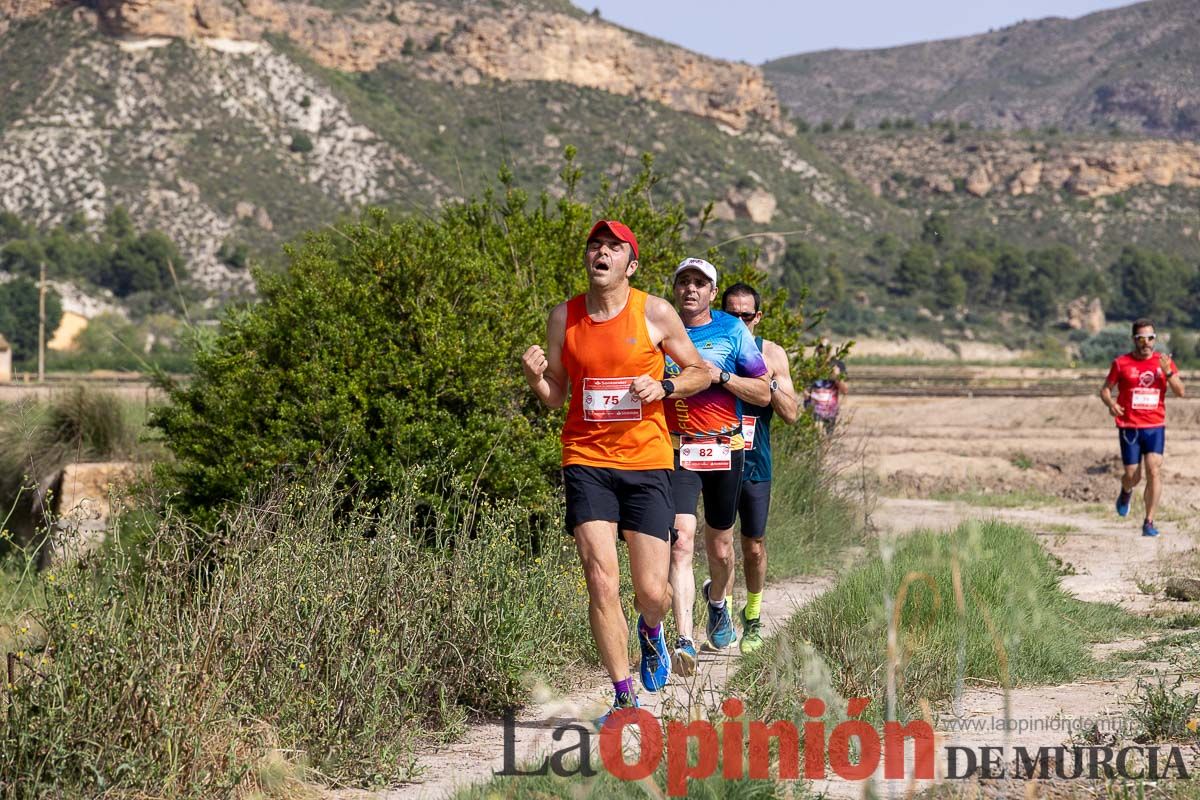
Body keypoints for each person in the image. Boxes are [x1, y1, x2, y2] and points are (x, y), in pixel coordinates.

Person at [521, 220, 710, 717]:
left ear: (631, 263)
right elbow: (556, 395)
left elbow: (699, 371)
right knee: (601, 580)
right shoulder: (565, 316)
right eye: (594, 246)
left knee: (652, 592)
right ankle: (624, 697)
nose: (601, 253)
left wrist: (665, 389)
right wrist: (537, 379)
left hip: (647, 462)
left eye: (613, 247)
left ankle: (652, 631)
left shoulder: (655, 311)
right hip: (586, 460)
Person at [663, 258, 770, 673]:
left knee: (721, 548)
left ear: (712, 291)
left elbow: (762, 392)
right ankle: (684, 640)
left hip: (726, 447)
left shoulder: (732, 329)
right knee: (681, 539)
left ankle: (719, 601)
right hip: (678, 449)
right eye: (684, 282)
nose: (690, 289)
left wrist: (720, 376)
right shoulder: (661, 328)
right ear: (675, 289)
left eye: (700, 283)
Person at [721, 282, 799, 655]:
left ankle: (752, 619)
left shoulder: (772, 353)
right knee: (716, 543)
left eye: (745, 315)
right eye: (731, 314)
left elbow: (791, 413)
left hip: (755, 460)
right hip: (714, 457)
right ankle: (720, 607)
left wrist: (768, 379)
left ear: (758, 317)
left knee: (752, 546)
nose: (739, 321)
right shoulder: (710, 347)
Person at [1100, 318, 1185, 537]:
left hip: (1155, 425)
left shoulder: (1163, 362)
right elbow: (1105, 390)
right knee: (1133, 475)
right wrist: (1111, 404)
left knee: (1154, 470)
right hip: (1129, 426)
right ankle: (1126, 490)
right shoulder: (1121, 363)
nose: (1146, 342)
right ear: (1134, 340)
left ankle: (1149, 521)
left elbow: (1180, 391)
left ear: (1155, 339)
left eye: (1150, 338)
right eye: (1141, 338)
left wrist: (1167, 372)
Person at [805, 338, 848, 434]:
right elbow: (805, 387)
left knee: (828, 440)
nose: (823, 350)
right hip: (814, 410)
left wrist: (836, 376)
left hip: (830, 411)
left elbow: (845, 390)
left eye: (826, 347)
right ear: (817, 349)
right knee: (816, 435)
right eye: (821, 346)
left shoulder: (838, 365)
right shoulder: (811, 365)